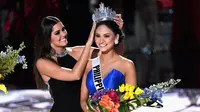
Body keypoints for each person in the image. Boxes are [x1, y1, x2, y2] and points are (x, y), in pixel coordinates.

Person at [33, 14, 123, 111]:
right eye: (57, 33)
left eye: (63, 29)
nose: (63, 34)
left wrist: (117, 32)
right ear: (47, 37)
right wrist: (89, 42)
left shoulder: (77, 52)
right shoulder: (42, 62)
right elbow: (75, 75)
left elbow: (113, 57)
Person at [80, 4, 137, 111]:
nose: (101, 41)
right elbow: (83, 101)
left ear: (116, 37)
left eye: (106, 36)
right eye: (97, 36)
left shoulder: (127, 65)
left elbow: (132, 102)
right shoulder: (89, 64)